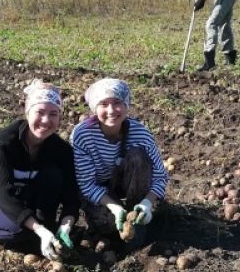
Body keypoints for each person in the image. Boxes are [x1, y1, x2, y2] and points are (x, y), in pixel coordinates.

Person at [0, 80, 79, 260]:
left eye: (53, 114)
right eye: (40, 112)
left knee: (53, 174)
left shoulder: (62, 150)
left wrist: (65, 225)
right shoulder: (4, 143)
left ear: (60, 117)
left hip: (26, 196)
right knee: (19, 229)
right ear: (27, 112)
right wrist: (40, 230)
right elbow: (5, 195)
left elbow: (71, 196)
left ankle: (42, 230)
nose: (46, 120)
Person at [70, 78, 168, 245]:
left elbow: (160, 177)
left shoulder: (141, 135)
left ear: (126, 105)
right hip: (99, 191)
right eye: (103, 104)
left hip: (128, 185)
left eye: (117, 103)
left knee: (138, 156)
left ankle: (138, 214)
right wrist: (114, 207)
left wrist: (147, 203)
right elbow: (85, 184)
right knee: (107, 226)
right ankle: (117, 220)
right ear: (95, 107)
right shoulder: (83, 135)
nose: (111, 110)